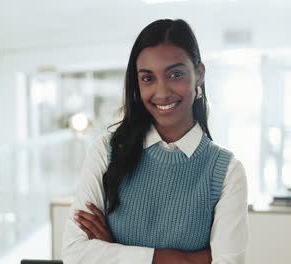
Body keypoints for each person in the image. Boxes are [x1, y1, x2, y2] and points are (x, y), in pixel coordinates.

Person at [62, 19, 248, 264]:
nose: (162, 92)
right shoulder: (106, 152)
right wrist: (181, 260)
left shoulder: (226, 171)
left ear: (199, 74)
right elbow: (74, 254)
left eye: (175, 74)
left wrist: (112, 251)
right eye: (148, 79)